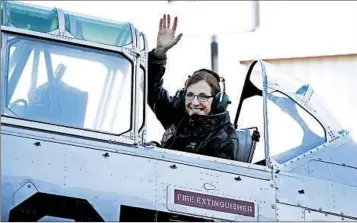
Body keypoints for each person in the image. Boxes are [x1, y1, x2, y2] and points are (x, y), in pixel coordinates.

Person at [148, 14, 239, 160]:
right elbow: (151, 90)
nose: (195, 102)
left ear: (216, 101)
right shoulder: (178, 116)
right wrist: (159, 53)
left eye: (203, 96)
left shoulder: (223, 138)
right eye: (190, 95)